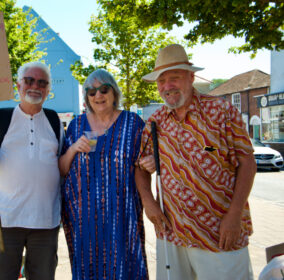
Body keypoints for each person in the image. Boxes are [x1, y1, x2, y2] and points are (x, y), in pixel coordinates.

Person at [135, 44, 257, 280]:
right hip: (172, 233)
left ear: (191, 77)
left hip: (219, 231)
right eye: (161, 81)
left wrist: (234, 215)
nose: (167, 86)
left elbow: (247, 162)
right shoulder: (155, 122)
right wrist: (148, 202)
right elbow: (140, 167)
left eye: (174, 78)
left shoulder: (222, 111)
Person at [0, 61, 64, 280]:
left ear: (48, 89)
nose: (35, 86)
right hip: (5, 221)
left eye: (42, 82)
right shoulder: (0, 118)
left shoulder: (54, 121)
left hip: (45, 222)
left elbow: (61, 166)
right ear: (18, 86)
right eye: (29, 80)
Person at [59, 69, 148, 280]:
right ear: (87, 98)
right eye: (91, 92)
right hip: (85, 219)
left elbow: (146, 161)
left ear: (114, 92)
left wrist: (151, 161)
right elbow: (62, 169)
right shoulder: (76, 125)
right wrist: (72, 149)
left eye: (103, 89)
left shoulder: (133, 123)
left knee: (125, 267)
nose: (98, 95)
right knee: (90, 268)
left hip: (123, 216)